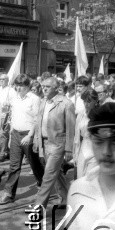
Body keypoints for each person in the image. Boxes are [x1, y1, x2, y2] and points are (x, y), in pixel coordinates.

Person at [0, 74, 43, 205]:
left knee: (35, 164)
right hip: (16, 134)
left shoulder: (34, 99)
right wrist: (12, 132)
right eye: (17, 85)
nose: (18, 88)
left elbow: (37, 119)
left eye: (21, 86)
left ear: (28, 86)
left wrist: (30, 136)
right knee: (14, 166)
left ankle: (42, 184)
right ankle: (8, 193)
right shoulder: (14, 99)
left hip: (29, 135)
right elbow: (13, 116)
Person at [34, 77, 75, 208]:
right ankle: (67, 198)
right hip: (45, 143)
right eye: (43, 86)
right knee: (55, 173)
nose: (44, 88)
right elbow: (39, 122)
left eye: (47, 86)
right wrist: (37, 140)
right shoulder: (43, 101)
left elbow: (71, 128)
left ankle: (39, 207)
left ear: (56, 88)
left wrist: (69, 149)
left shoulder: (66, 103)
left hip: (58, 144)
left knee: (48, 175)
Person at [73, 89, 99, 178]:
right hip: (83, 149)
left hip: (96, 151)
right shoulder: (80, 115)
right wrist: (75, 154)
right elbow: (76, 137)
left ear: (95, 101)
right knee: (80, 178)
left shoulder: (101, 115)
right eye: (84, 101)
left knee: (90, 179)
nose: (86, 104)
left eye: (89, 101)